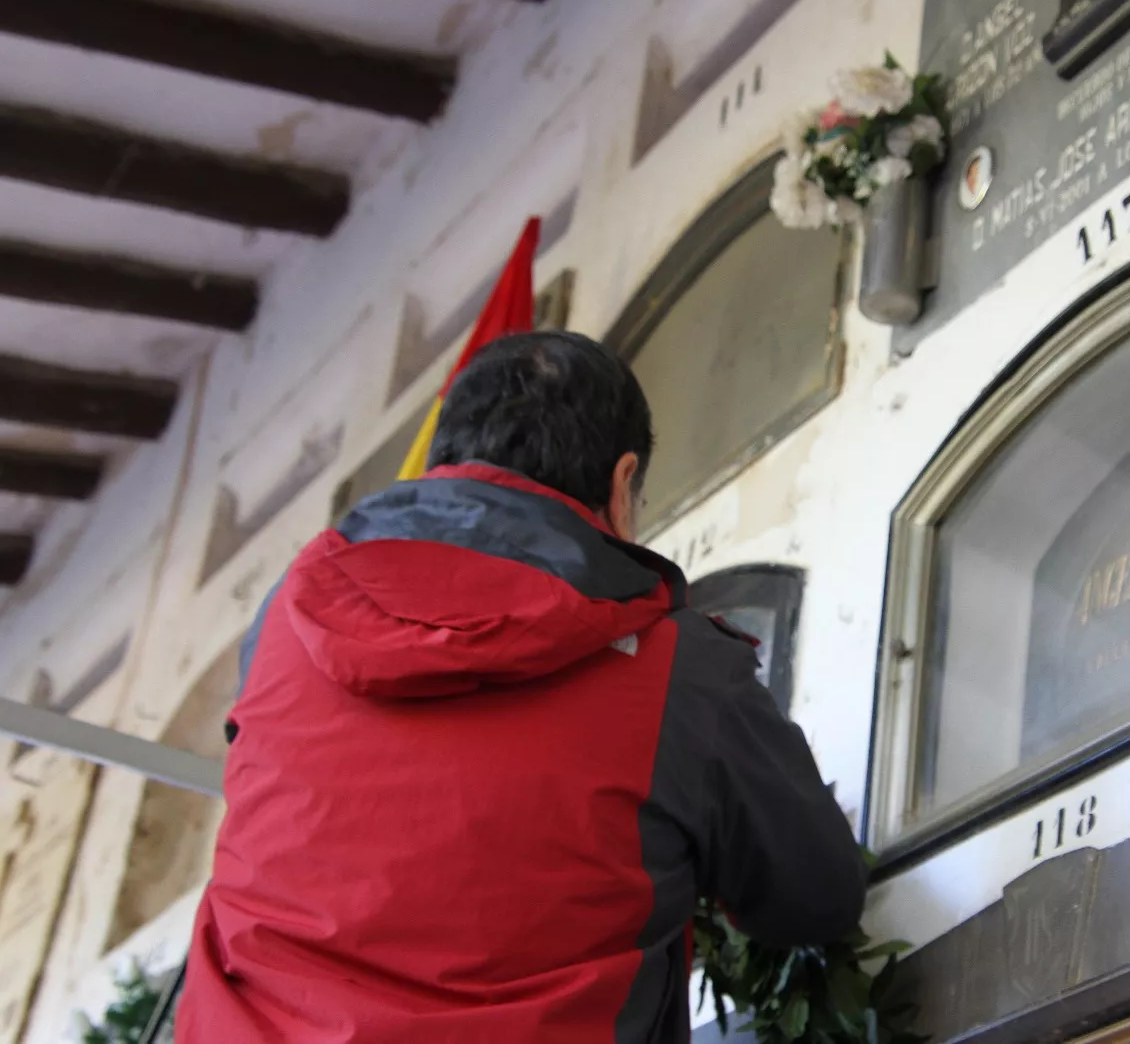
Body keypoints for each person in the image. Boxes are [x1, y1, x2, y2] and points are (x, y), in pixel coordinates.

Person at [177, 332, 867, 1043]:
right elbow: (813, 897)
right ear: (622, 482)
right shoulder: (677, 667)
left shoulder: (286, 623)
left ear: (443, 461)